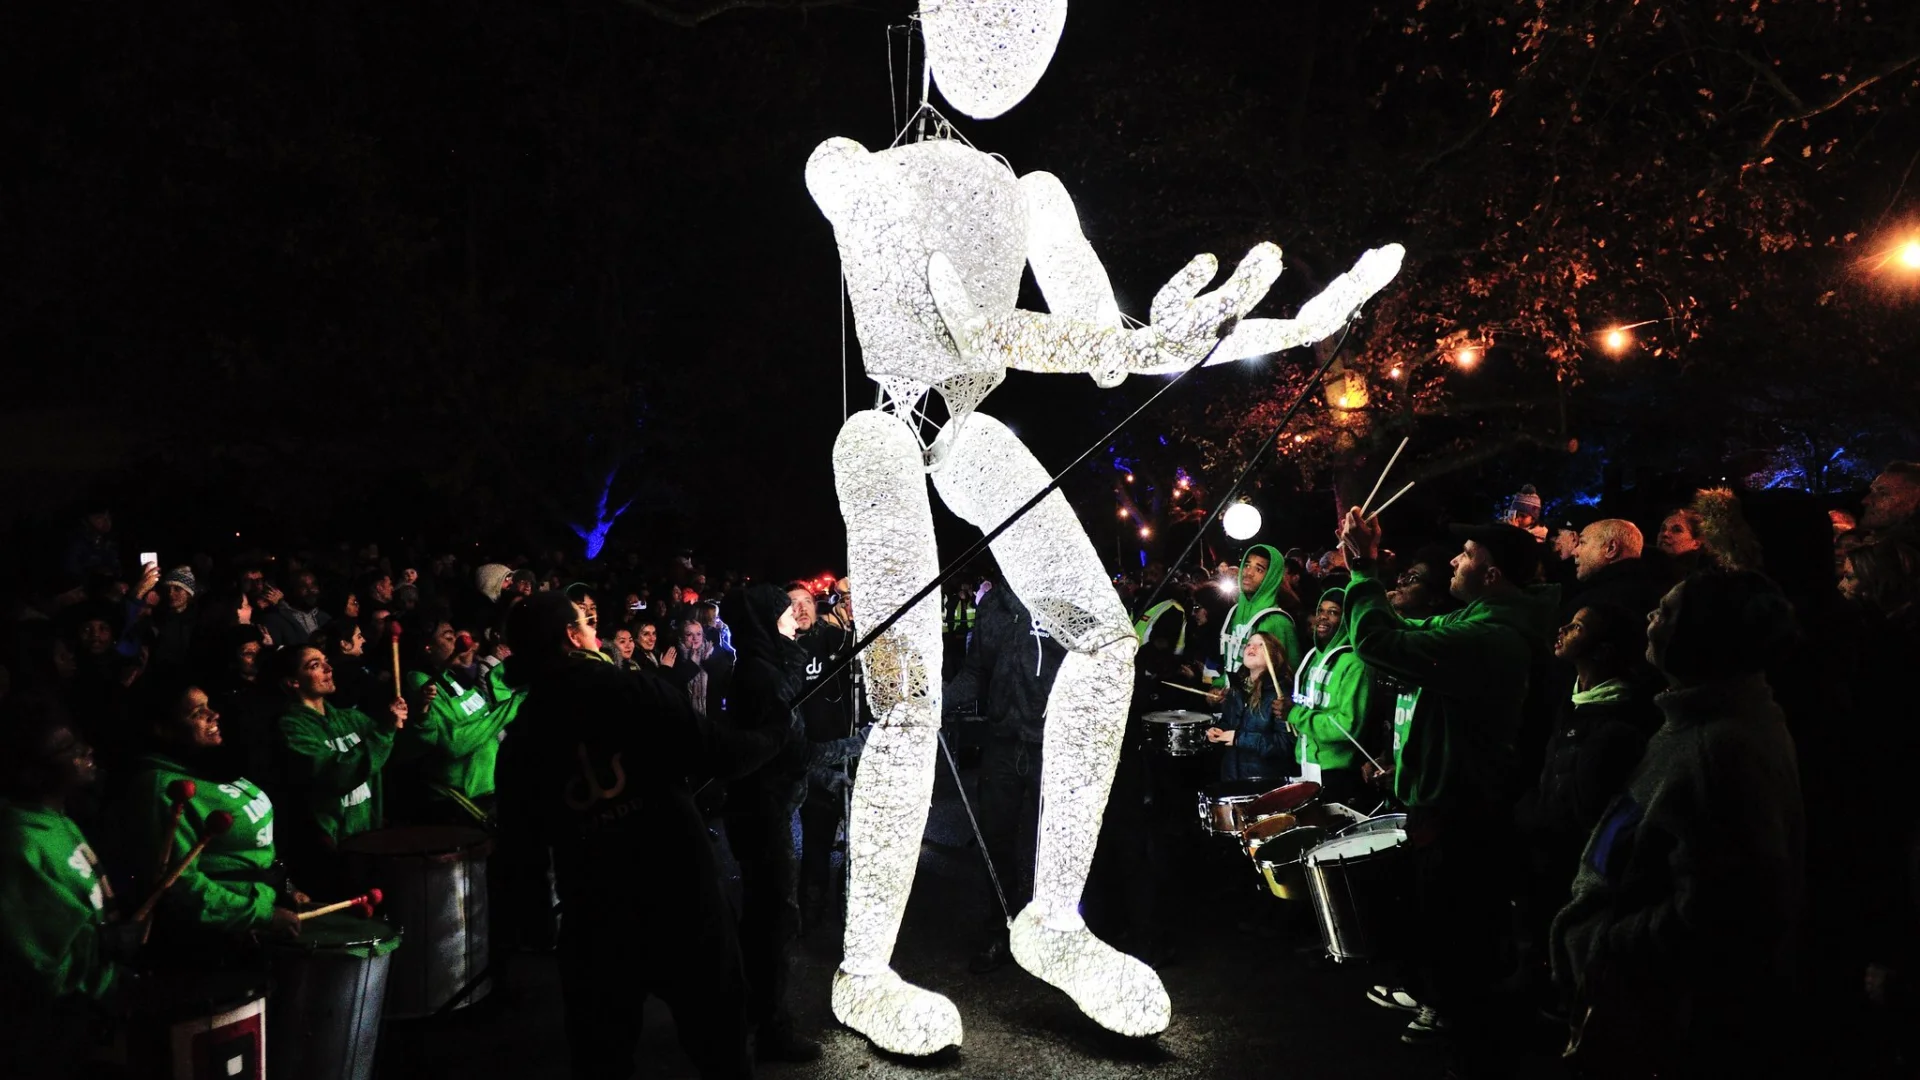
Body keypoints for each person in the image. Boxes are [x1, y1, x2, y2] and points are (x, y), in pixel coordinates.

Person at [496, 591, 781, 1080]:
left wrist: (539, 923)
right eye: (586, 621)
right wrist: (775, 733)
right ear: (571, 636)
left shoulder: (522, 738)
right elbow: (722, 753)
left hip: (595, 917)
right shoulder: (630, 690)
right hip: (680, 897)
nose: (593, 629)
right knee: (720, 1045)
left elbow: (520, 849)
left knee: (603, 1058)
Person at [1552, 572, 1804, 1075]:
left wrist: (1609, 939)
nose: (1651, 618)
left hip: (1670, 1013)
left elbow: (1719, 909)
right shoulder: (1699, 722)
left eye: (1666, 613)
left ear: (1703, 637)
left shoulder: (1717, 748)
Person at [1338, 511, 1560, 1063]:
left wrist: (1364, 576)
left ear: (1491, 576)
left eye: (1465, 555)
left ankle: (1471, 1041)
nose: (1454, 562)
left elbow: (1380, 646)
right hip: (1447, 805)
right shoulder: (1476, 622)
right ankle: (1455, 1013)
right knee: (1445, 923)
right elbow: (1399, 634)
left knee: (1461, 932)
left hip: (1465, 810)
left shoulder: (1494, 638)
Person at [1512, 604, 1657, 998]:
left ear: (1603, 650)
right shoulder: (1575, 701)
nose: (1562, 629)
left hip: (1576, 866)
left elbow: (1598, 811)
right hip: (1546, 854)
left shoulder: (1618, 723)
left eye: (1577, 627)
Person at [1, 694, 138, 1079]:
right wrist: (104, 944)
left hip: (91, 1008)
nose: (85, 751)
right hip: (52, 1030)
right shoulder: (18, 842)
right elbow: (38, 963)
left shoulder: (58, 818)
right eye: (66, 748)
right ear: (29, 769)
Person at [122, 675, 303, 950]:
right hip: (217, 938)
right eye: (197, 713)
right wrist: (261, 914)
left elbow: (251, 856)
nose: (214, 715)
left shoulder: (208, 766)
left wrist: (286, 890)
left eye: (208, 705)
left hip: (259, 916)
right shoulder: (161, 788)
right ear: (163, 729)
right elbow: (179, 884)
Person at [942, 581, 1064, 973]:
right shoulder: (993, 603)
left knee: (1054, 844)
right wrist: (937, 699)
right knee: (995, 839)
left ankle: (1057, 933)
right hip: (1002, 742)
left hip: (1051, 743)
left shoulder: (1062, 598)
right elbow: (976, 672)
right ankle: (1001, 930)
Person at [724, 583, 823, 1062]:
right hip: (766, 814)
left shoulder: (762, 668)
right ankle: (770, 1027)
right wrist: (849, 745)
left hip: (761, 810)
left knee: (761, 918)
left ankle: (751, 1014)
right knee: (773, 920)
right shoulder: (760, 678)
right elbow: (790, 747)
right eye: (785, 614)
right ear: (765, 622)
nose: (793, 620)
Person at [274, 645, 407, 890]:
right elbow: (336, 774)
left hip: (370, 841)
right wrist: (385, 731)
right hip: (333, 851)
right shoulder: (291, 728)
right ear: (293, 682)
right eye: (314, 665)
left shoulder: (350, 719)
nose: (328, 667)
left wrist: (419, 711)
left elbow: (395, 750)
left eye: (325, 660)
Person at [396, 609, 524, 823]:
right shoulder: (420, 682)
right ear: (428, 648)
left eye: (455, 635)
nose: (457, 641)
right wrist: (516, 702)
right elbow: (455, 742)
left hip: (488, 791)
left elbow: (485, 719)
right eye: (448, 637)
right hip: (460, 803)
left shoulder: (455, 676)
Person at [1288, 588, 1377, 805]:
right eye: (1321, 610)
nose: (1323, 617)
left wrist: (1295, 714)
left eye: (1334, 612)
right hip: (1307, 763)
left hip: (1337, 771)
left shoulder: (1356, 663)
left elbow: (1347, 726)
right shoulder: (1313, 657)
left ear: (1347, 620)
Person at [1204, 632, 1295, 782]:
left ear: (1274, 655)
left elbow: (1285, 744)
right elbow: (1228, 723)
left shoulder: (1282, 694)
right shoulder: (1237, 688)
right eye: (1249, 644)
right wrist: (1217, 731)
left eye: (1261, 645)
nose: (1252, 647)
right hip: (1231, 776)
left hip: (1264, 782)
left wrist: (1240, 738)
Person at [1218, 544, 1303, 681]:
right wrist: (1220, 684)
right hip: (1234, 700)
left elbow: (1290, 676)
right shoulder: (1234, 612)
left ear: (1271, 577)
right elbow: (1231, 663)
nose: (1248, 572)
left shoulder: (1278, 621)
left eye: (1259, 569)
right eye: (1246, 565)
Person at [1565, 518, 1665, 621]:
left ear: (1611, 548)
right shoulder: (1661, 597)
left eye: (1582, 542)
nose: (1574, 552)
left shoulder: (1593, 604)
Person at [258, 569, 331, 651]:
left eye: (314, 585)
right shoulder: (276, 620)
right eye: (303, 587)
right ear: (292, 590)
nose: (311, 590)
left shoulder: (325, 617)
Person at [1656, 507, 1706, 581]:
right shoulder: (1644, 567)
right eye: (1663, 529)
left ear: (1696, 543)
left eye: (1677, 530)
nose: (1665, 534)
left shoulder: (1699, 581)